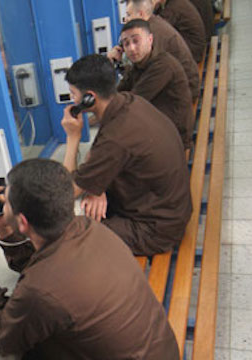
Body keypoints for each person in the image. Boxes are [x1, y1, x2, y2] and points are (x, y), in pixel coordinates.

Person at [0, 159, 179, 359]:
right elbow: (45, 268)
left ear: (23, 222)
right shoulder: (89, 228)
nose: (2, 205)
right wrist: (7, 233)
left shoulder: (40, 291)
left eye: (7, 203)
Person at [62, 54, 192, 256]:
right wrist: (98, 187)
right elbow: (100, 155)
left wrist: (72, 137)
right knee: (89, 206)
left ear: (89, 98)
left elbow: (66, 192)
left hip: (155, 229)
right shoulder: (130, 102)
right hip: (170, 209)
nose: (72, 101)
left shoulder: (116, 137)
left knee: (70, 234)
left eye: (73, 94)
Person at [112, 19, 194, 150]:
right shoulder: (139, 65)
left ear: (150, 39)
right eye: (126, 44)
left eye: (136, 41)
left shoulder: (163, 65)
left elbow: (133, 101)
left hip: (175, 137)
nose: (131, 48)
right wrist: (112, 63)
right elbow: (117, 93)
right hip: (160, 126)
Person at [125, 0, 200, 101]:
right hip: (187, 82)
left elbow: (149, 79)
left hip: (186, 89)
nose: (126, 19)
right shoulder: (153, 23)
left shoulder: (154, 34)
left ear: (141, 14)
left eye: (129, 15)